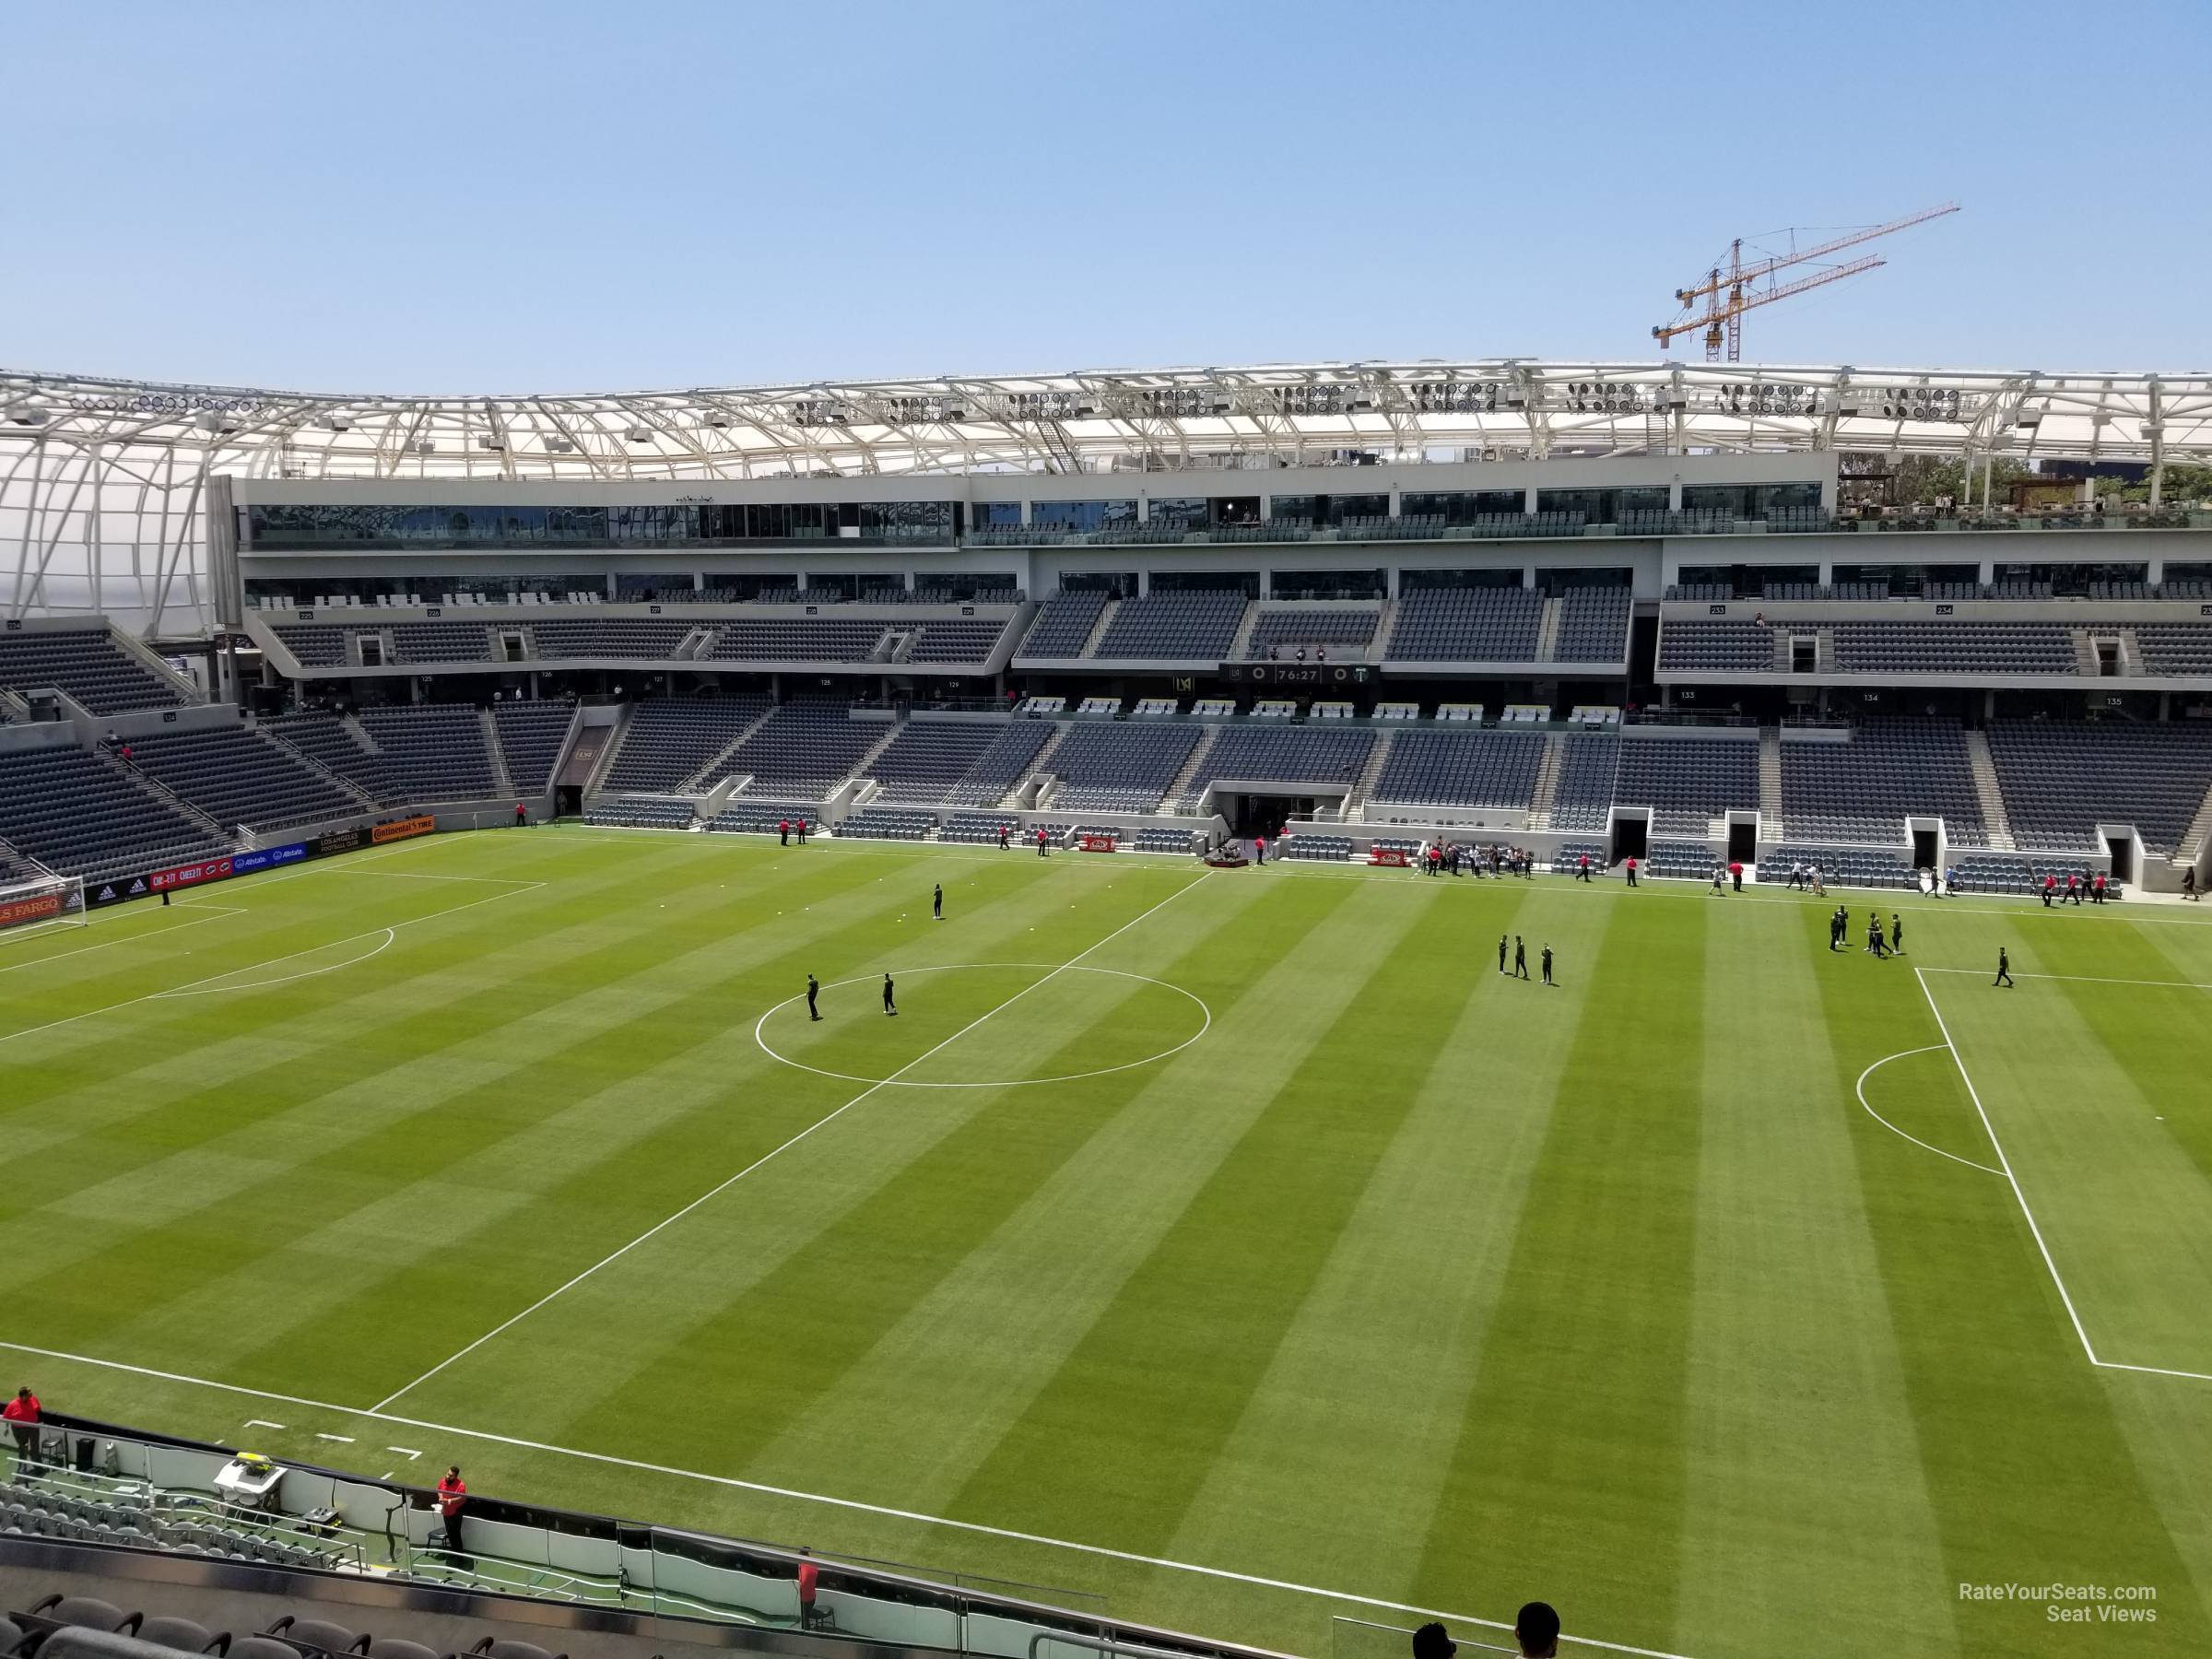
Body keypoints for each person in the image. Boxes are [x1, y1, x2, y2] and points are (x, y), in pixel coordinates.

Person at [435, 1466, 467, 1556]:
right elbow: (439, 1490)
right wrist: (441, 1497)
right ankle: (454, 1552)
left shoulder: (461, 1485)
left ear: (456, 1476)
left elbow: (462, 1498)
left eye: (451, 1475)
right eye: (448, 1474)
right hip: (446, 1512)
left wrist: (449, 1501)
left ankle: (459, 1555)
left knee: (456, 1534)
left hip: (456, 1512)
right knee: (450, 1533)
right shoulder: (443, 1481)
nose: (448, 1476)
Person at [3, 1387, 39, 1463]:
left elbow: (38, 1410)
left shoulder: (32, 1399)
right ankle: (23, 1464)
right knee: (22, 1447)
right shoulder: (13, 1404)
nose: (31, 1394)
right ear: (24, 1396)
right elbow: (6, 1417)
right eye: (28, 1394)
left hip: (33, 1428)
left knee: (35, 1446)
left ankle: (36, 1463)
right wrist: (7, 1428)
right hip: (19, 1430)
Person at [797, 1548, 819, 1629]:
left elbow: (803, 1581)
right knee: (805, 1619)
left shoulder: (803, 1566)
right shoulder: (813, 1565)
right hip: (812, 1597)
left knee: (804, 1620)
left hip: (804, 1598)